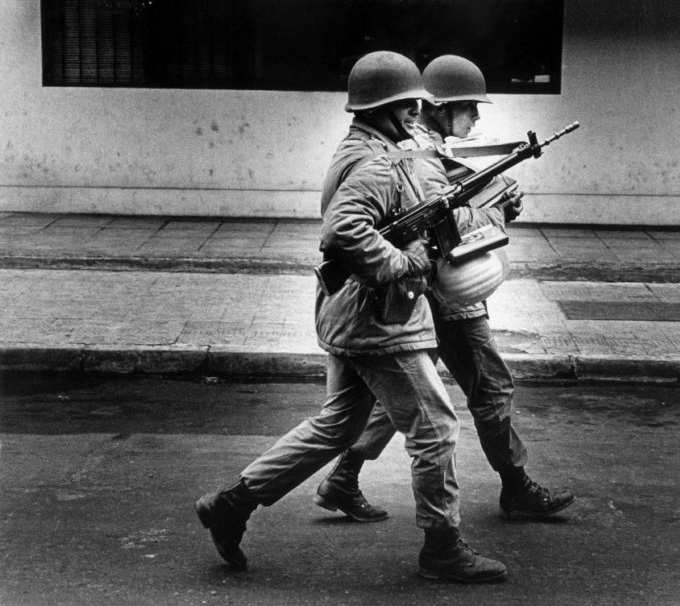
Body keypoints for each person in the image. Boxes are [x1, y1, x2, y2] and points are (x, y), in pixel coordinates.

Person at [195, 50, 507, 584]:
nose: (416, 113)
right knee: (435, 429)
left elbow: (413, 206)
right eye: (408, 105)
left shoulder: (370, 148)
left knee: (337, 424)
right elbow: (343, 232)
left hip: (351, 314)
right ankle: (443, 549)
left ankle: (231, 503)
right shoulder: (375, 162)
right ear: (385, 107)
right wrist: (402, 263)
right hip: (380, 320)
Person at [314, 54, 575, 524]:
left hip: (424, 286)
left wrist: (496, 196)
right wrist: (496, 210)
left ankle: (343, 477)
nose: (475, 118)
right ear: (439, 107)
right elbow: (445, 224)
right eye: (469, 107)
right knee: (489, 386)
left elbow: (455, 200)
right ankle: (511, 490)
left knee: (404, 397)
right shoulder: (414, 152)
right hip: (443, 286)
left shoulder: (418, 146)